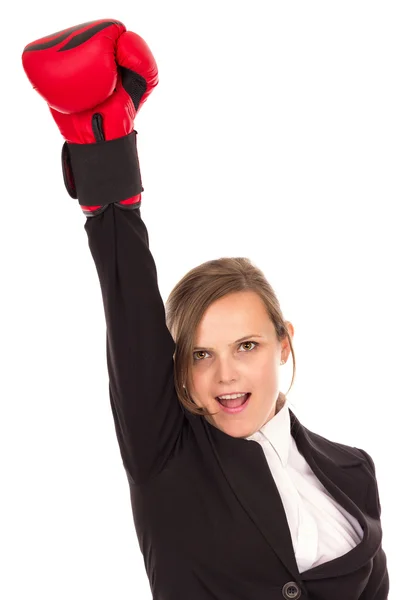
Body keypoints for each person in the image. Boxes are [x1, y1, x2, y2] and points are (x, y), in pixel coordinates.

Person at [22, 18, 389, 600]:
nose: (225, 375)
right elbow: (131, 309)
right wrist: (104, 149)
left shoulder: (353, 471)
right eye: (200, 354)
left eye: (247, 346)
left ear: (284, 341)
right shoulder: (165, 459)